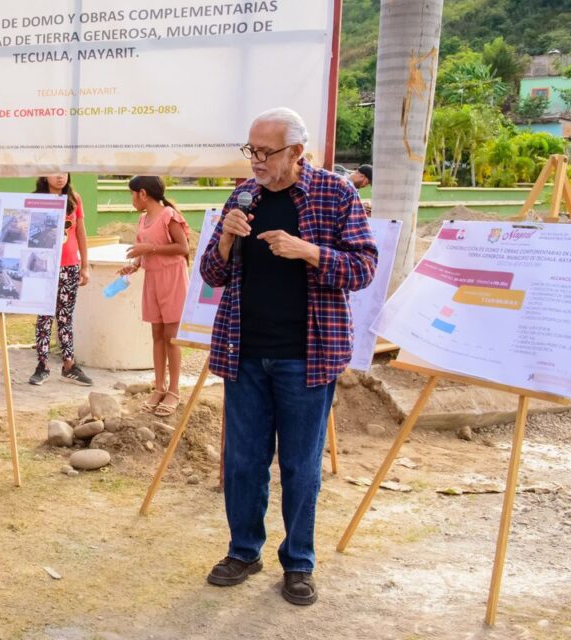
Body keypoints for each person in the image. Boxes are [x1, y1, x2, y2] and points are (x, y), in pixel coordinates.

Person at [199, 108, 377, 606]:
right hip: (244, 351)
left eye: (265, 151)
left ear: (297, 152)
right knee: (242, 462)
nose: (255, 161)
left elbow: (364, 268)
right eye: (250, 150)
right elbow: (213, 274)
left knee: (300, 466)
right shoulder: (241, 195)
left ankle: (298, 562)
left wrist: (310, 252)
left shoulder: (335, 194)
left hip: (307, 355)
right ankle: (243, 551)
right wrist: (229, 236)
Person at [118, 176, 189, 417]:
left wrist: (150, 249)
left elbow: (183, 248)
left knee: (172, 337)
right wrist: (134, 266)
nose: (132, 199)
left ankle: (174, 391)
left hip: (173, 279)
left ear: (143, 194)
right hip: (153, 280)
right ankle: (159, 387)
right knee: (157, 334)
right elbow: (142, 249)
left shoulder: (169, 215)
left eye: (132, 194)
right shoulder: (142, 219)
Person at [28, 174, 93, 387]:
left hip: (69, 266)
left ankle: (68, 364)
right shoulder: (36, 199)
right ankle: (42, 365)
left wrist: (84, 264)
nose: (60, 176)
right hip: (43, 266)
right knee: (45, 316)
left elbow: (81, 232)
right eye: (55, 171)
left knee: (65, 316)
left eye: (64, 171)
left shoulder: (74, 198)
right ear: (44, 175)